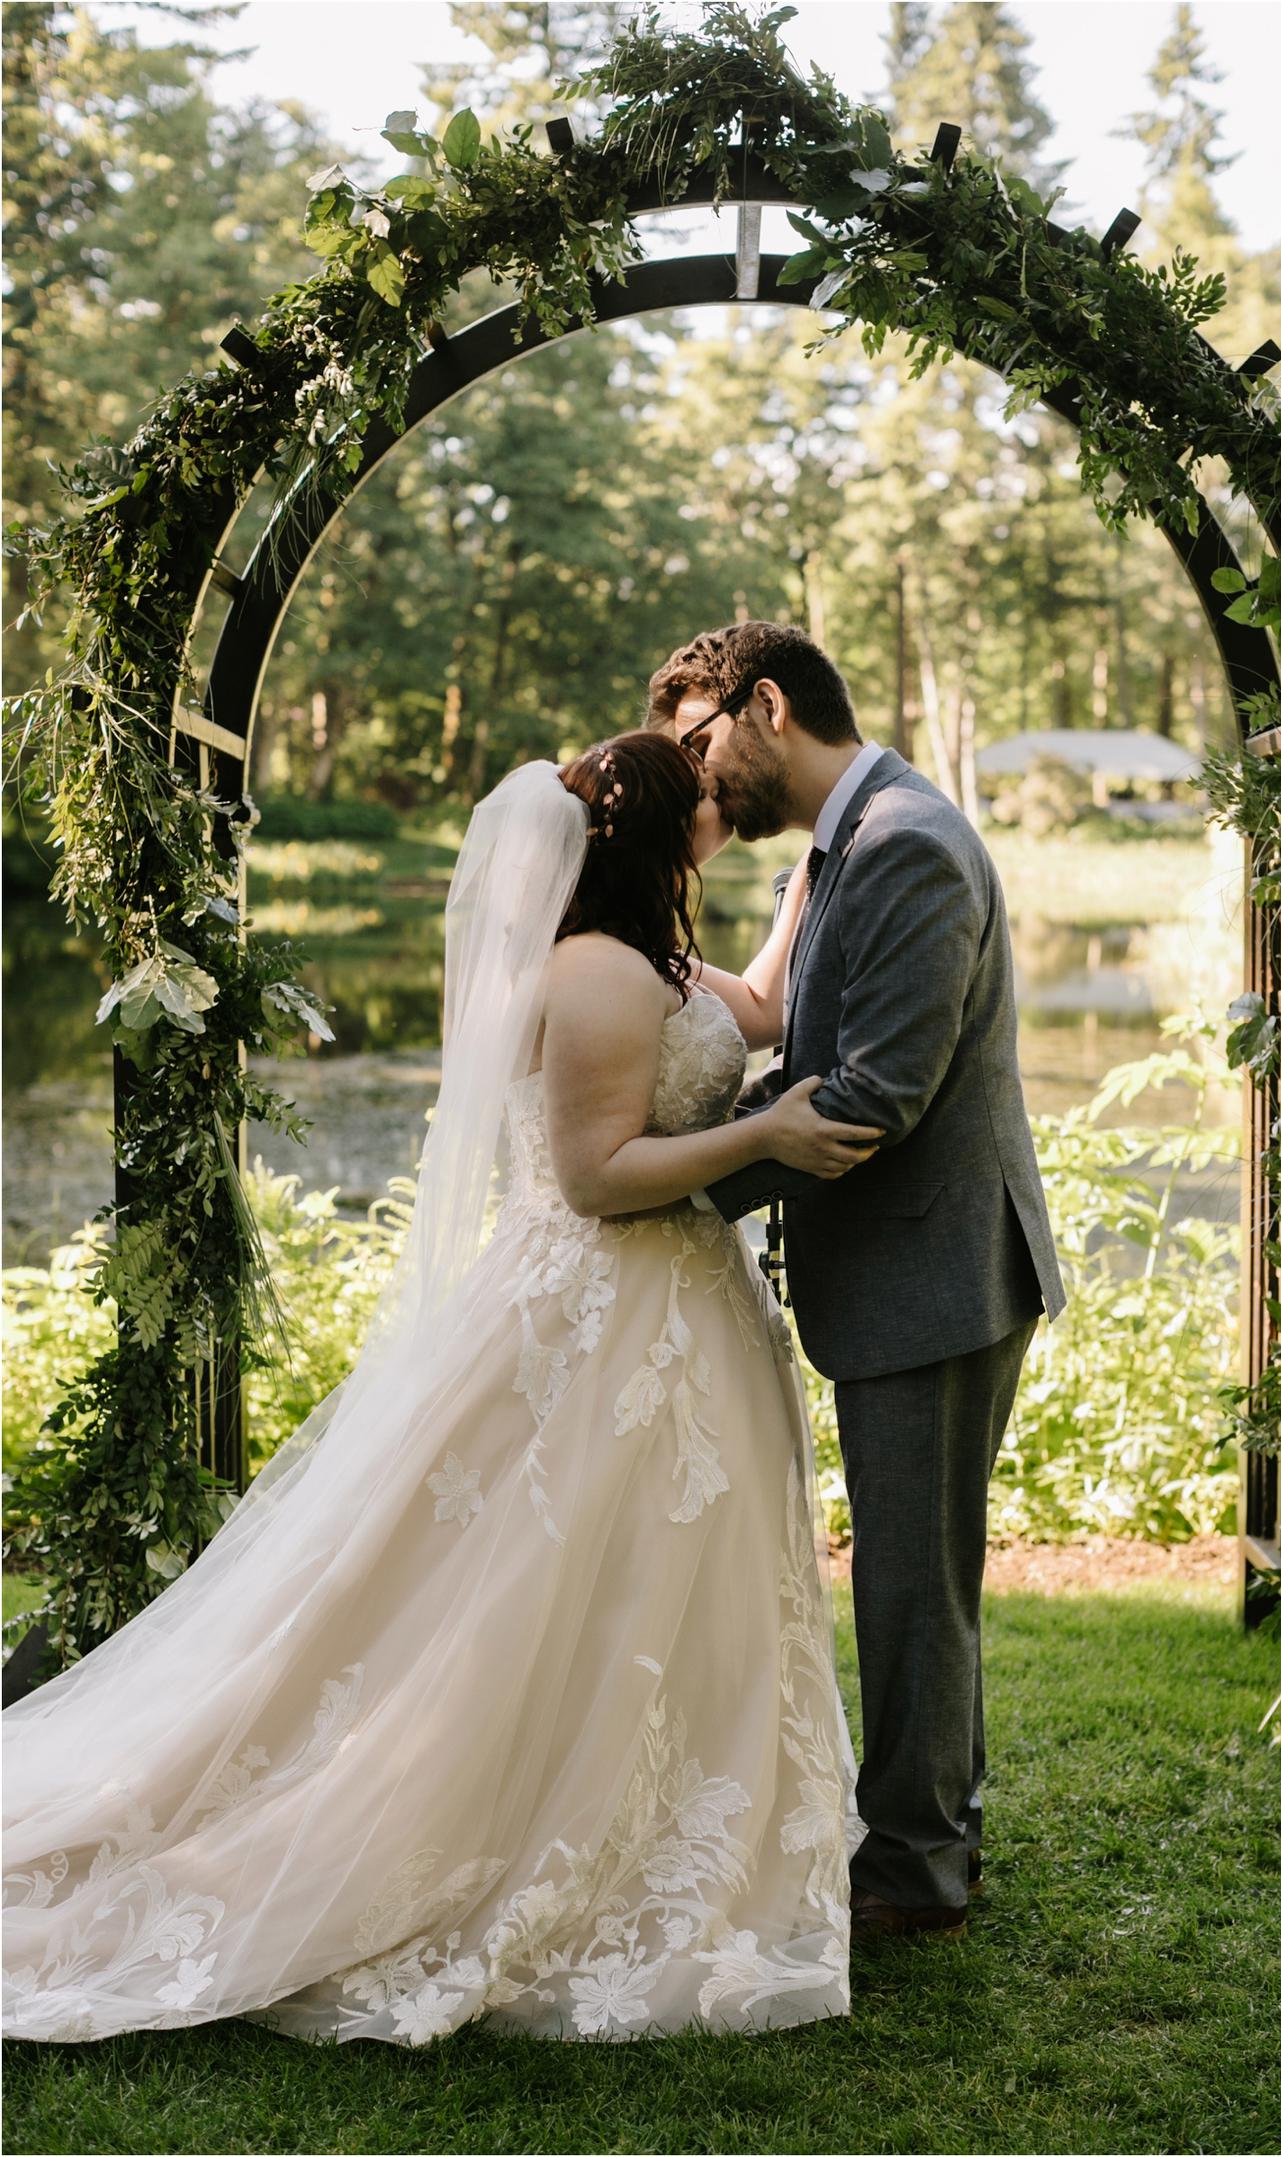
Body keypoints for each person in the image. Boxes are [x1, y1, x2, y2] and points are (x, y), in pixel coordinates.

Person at [1, 731, 883, 2048]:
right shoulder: (590, 970)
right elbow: (594, 1175)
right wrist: (763, 1134)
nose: (721, 804)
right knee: (526, 1593)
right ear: (646, 835)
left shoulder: (653, 957)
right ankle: (510, 1833)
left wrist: (815, 877)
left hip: (678, 1322)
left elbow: (750, 1013)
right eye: (700, 797)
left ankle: (682, 1825)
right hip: (597, 1317)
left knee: (664, 1589)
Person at [647, 622, 1067, 1939]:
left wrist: (664, 1181)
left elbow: (874, 1096)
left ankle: (915, 1868)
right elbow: (791, 1024)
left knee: (908, 1582)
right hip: (906, 1267)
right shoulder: (848, 840)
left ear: (766, 706)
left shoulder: (907, 849)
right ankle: (935, 1832)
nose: (701, 786)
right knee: (914, 1572)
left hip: (936, 1273)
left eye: (704, 746)